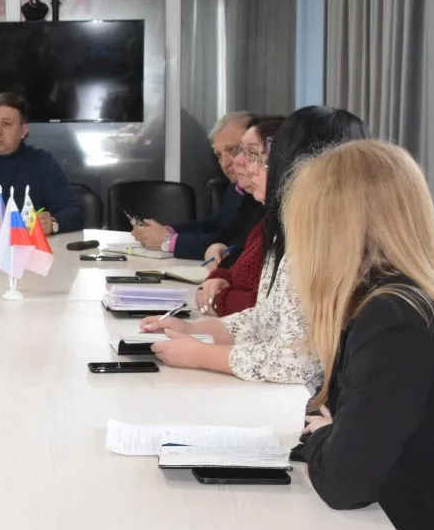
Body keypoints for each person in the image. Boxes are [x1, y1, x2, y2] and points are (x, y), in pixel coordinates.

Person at [287, 140, 434, 530]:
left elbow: (344, 482)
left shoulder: (395, 320)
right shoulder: (400, 301)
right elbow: (325, 407)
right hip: (407, 528)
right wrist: (330, 432)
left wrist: (324, 438)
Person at [140, 106, 368, 387]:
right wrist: (192, 330)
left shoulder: (323, 243)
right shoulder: (284, 232)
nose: (247, 167)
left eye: (261, 157)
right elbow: (265, 321)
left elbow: (299, 361)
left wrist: (200, 354)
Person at [0, 91, 83, 234]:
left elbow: (73, 212)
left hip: (29, 246)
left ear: (23, 131)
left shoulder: (43, 162)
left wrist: (54, 223)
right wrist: (9, 225)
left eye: (6, 124)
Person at [194, 115, 285, 316]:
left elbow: (266, 308)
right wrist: (218, 278)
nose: (237, 161)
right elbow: (231, 246)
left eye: (253, 154)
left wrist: (218, 298)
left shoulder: (291, 226)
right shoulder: (258, 211)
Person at [132, 111, 252, 259]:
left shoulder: (261, 194)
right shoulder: (236, 187)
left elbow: (231, 244)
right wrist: (168, 232)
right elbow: (217, 227)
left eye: (233, 150)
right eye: (219, 155)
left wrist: (168, 242)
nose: (225, 163)